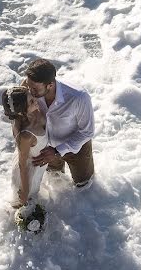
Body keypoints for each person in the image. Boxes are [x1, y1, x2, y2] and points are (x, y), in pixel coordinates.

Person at [21, 58, 95, 190]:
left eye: (34, 89)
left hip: (76, 148)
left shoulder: (79, 97)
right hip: (46, 147)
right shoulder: (29, 86)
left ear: (50, 85)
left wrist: (57, 151)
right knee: (55, 182)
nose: (29, 91)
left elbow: (87, 132)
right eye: (28, 85)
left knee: (84, 186)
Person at [3, 86, 48, 208]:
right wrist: (25, 191)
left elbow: (24, 86)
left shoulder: (32, 110)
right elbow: (22, 165)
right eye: (31, 101)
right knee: (25, 204)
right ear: (21, 111)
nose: (36, 99)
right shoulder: (26, 136)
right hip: (28, 172)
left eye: (32, 96)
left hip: (38, 164)